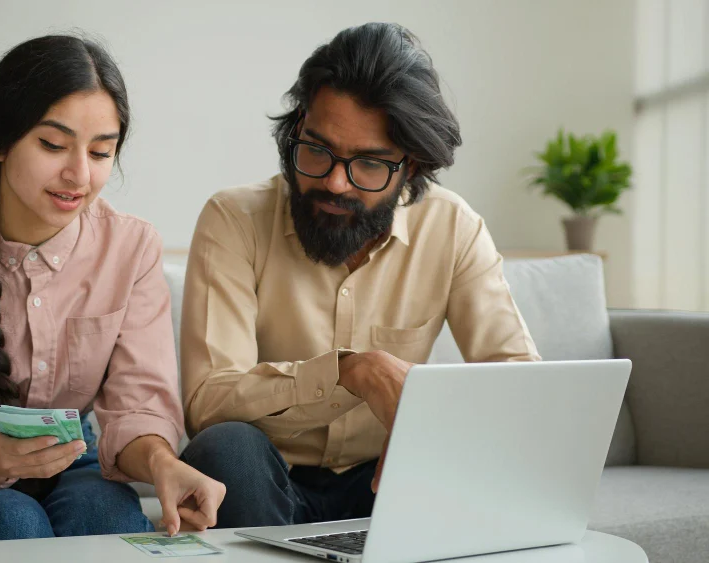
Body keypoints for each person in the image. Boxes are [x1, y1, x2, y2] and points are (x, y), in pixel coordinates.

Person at [0, 35, 224, 545]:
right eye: (53, 145)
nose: (79, 174)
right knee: (14, 525)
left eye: (102, 152)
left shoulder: (133, 249)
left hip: (72, 456)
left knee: (110, 525)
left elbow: (136, 406)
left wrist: (163, 464)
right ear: (0, 141)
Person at [179, 22, 540, 528]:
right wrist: (350, 371)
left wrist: (435, 424)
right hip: (268, 477)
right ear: (298, 126)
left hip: (393, 482)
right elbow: (208, 402)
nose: (332, 182)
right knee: (226, 448)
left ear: (410, 167)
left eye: (368, 164)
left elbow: (522, 386)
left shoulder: (453, 227)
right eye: (318, 149)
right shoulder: (234, 219)